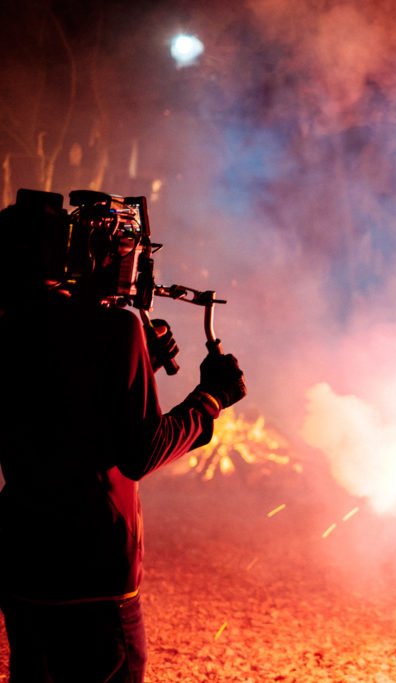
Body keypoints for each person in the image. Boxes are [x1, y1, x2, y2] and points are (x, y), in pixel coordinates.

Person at [0, 190, 247, 682]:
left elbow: (57, 406)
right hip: (95, 570)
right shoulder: (115, 328)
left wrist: (137, 366)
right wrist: (208, 400)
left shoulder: (9, 326)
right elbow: (140, 451)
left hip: (22, 562)